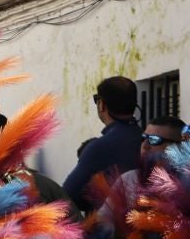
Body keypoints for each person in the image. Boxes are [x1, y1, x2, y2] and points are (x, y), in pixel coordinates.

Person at [60, 76, 143, 208]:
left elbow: (65, 195)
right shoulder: (147, 139)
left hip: (113, 225)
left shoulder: (101, 146)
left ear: (101, 104)